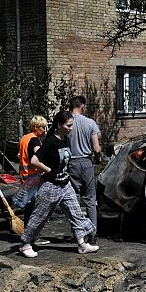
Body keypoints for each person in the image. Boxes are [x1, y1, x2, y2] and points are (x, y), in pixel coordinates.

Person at [18, 110, 98, 258]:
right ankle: (25, 244)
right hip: (50, 186)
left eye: (72, 125)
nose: (71, 128)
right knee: (39, 216)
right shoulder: (50, 142)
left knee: (76, 213)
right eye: (68, 125)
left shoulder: (65, 140)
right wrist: (48, 170)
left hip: (65, 184)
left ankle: (82, 244)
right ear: (60, 125)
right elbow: (35, 160)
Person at [67, 96, 102, 241]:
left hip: (71, 163)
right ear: (82, 106)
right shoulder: (90, 123)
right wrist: (98, 159)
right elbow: (96, 148)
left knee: (73, 200)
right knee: (90, 200)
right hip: (86, 163)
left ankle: (77, 234)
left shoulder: (66, 123)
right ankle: (92, 234)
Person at [16, 115, 49, 243]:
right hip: (33, 177)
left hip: (25, 176)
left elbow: (20, 155)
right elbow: (38, 157)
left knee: (29, 207)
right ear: (36, 127)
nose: (44, 130)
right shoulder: (35, 141)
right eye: (43, 127)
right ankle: (33, 236)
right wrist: (47, 168)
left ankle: (28, 234)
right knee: (35, 208)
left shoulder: (24, 138)